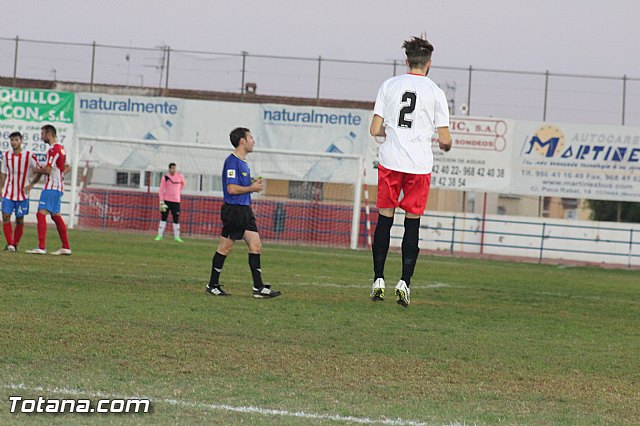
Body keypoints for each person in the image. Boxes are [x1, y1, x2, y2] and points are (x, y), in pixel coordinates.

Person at [369, 36, 453, 307]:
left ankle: (378, 279)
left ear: (406, 61)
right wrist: (445, 143)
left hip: (391, 161)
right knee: (412, 223)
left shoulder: (389, 85)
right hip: (418, 166)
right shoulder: (436, 92)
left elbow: (374, 130)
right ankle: (404, 282)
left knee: (385, 219)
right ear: (428, 63)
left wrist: (390, 131)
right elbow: (444, 137)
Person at [205, 127, 281, 299]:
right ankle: (212, 285)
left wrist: (252, 184)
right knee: (225, 248)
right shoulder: (232, 161)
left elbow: (240, 186)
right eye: (251, 137)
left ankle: (258, 288)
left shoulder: (243, 162)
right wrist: (251, 188)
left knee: (256, 246)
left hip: (245, 210)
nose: (253, 140)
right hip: (234, 211)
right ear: (242, 141)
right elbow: (231, 189)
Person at [26, 124, 72, 255]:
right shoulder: (61, 149)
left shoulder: (53, 150)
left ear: (49, 135)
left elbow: (48, 169)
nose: (41, 137)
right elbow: (68, 167)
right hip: (58, 187)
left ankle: (41, 247)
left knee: (40, 214)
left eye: (43, 134)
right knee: (56, 216)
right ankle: (66, 246)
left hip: (51, 187)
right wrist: (59, 175)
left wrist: (36, 169)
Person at [1, 132, 42, 252]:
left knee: (19, 219)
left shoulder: (29, 156)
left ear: (21, 141)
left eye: (16, 139)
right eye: (12, 140)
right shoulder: (6, 156)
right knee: (5, 216)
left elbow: (40, 170)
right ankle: (9, 244)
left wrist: (32, 184)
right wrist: (0, 187)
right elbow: (3, 173)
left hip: (22, 194)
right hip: (8, 192)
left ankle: (15, 243)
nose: (14, 142)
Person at [155, 162, 186, 242]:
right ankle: (159, 235)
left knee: (176, 218)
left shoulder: (179, 176)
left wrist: (178, 191)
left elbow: (183, 184)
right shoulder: (165, 177)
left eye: (174, 168)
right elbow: (161, 189)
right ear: (169, 169)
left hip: (176, 201)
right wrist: (161, 200)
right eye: (172, 168)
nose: (173, 170)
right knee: (163, 218)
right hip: (166, 200)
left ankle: (177, 237)